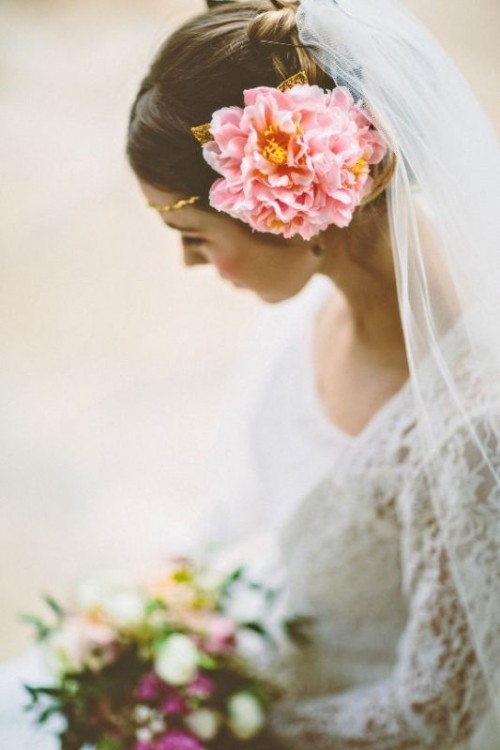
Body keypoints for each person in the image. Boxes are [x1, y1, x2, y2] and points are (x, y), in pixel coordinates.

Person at [126, 0, 500, 748]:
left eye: (193, 235)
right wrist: (159, 617)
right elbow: (244, 500)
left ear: (286, 204)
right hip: (252, 648)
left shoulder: (468, 432)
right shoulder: (303, 312)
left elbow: (437, 710)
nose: (188, 263)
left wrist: (211, 731)